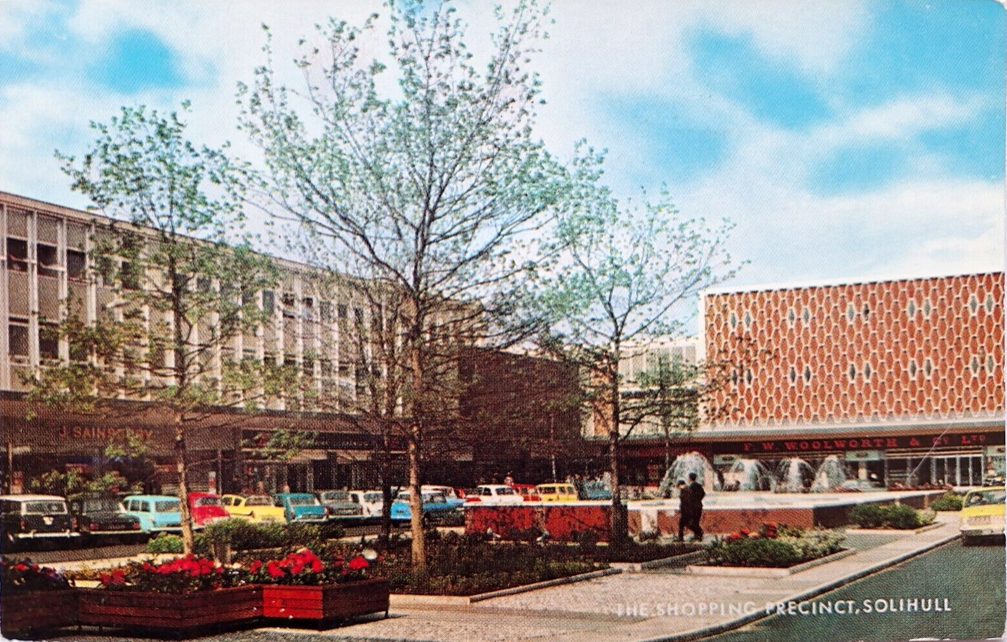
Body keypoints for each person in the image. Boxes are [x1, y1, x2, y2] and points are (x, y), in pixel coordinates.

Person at [682, 472, 706, 541]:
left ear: (689, 478)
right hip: (699, 506)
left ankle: (699, 532)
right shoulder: (698, 485)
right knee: (696, 521)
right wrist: (699, 499)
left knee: (690, 522)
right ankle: (697, 535)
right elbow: (703, 493)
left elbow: (689, 496)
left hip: (693, 507)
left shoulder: (691, 487)